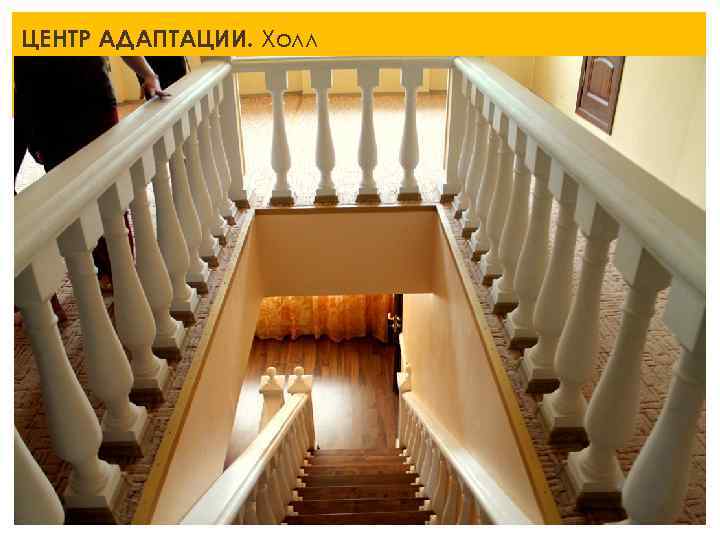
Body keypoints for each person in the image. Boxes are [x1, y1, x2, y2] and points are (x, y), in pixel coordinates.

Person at [14, 56, 169, 294]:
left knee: (109, 197)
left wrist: (149, 74)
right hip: (43, 110)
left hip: (91, 102)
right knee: (69, 201)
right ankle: (104, 270)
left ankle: (120, 274)